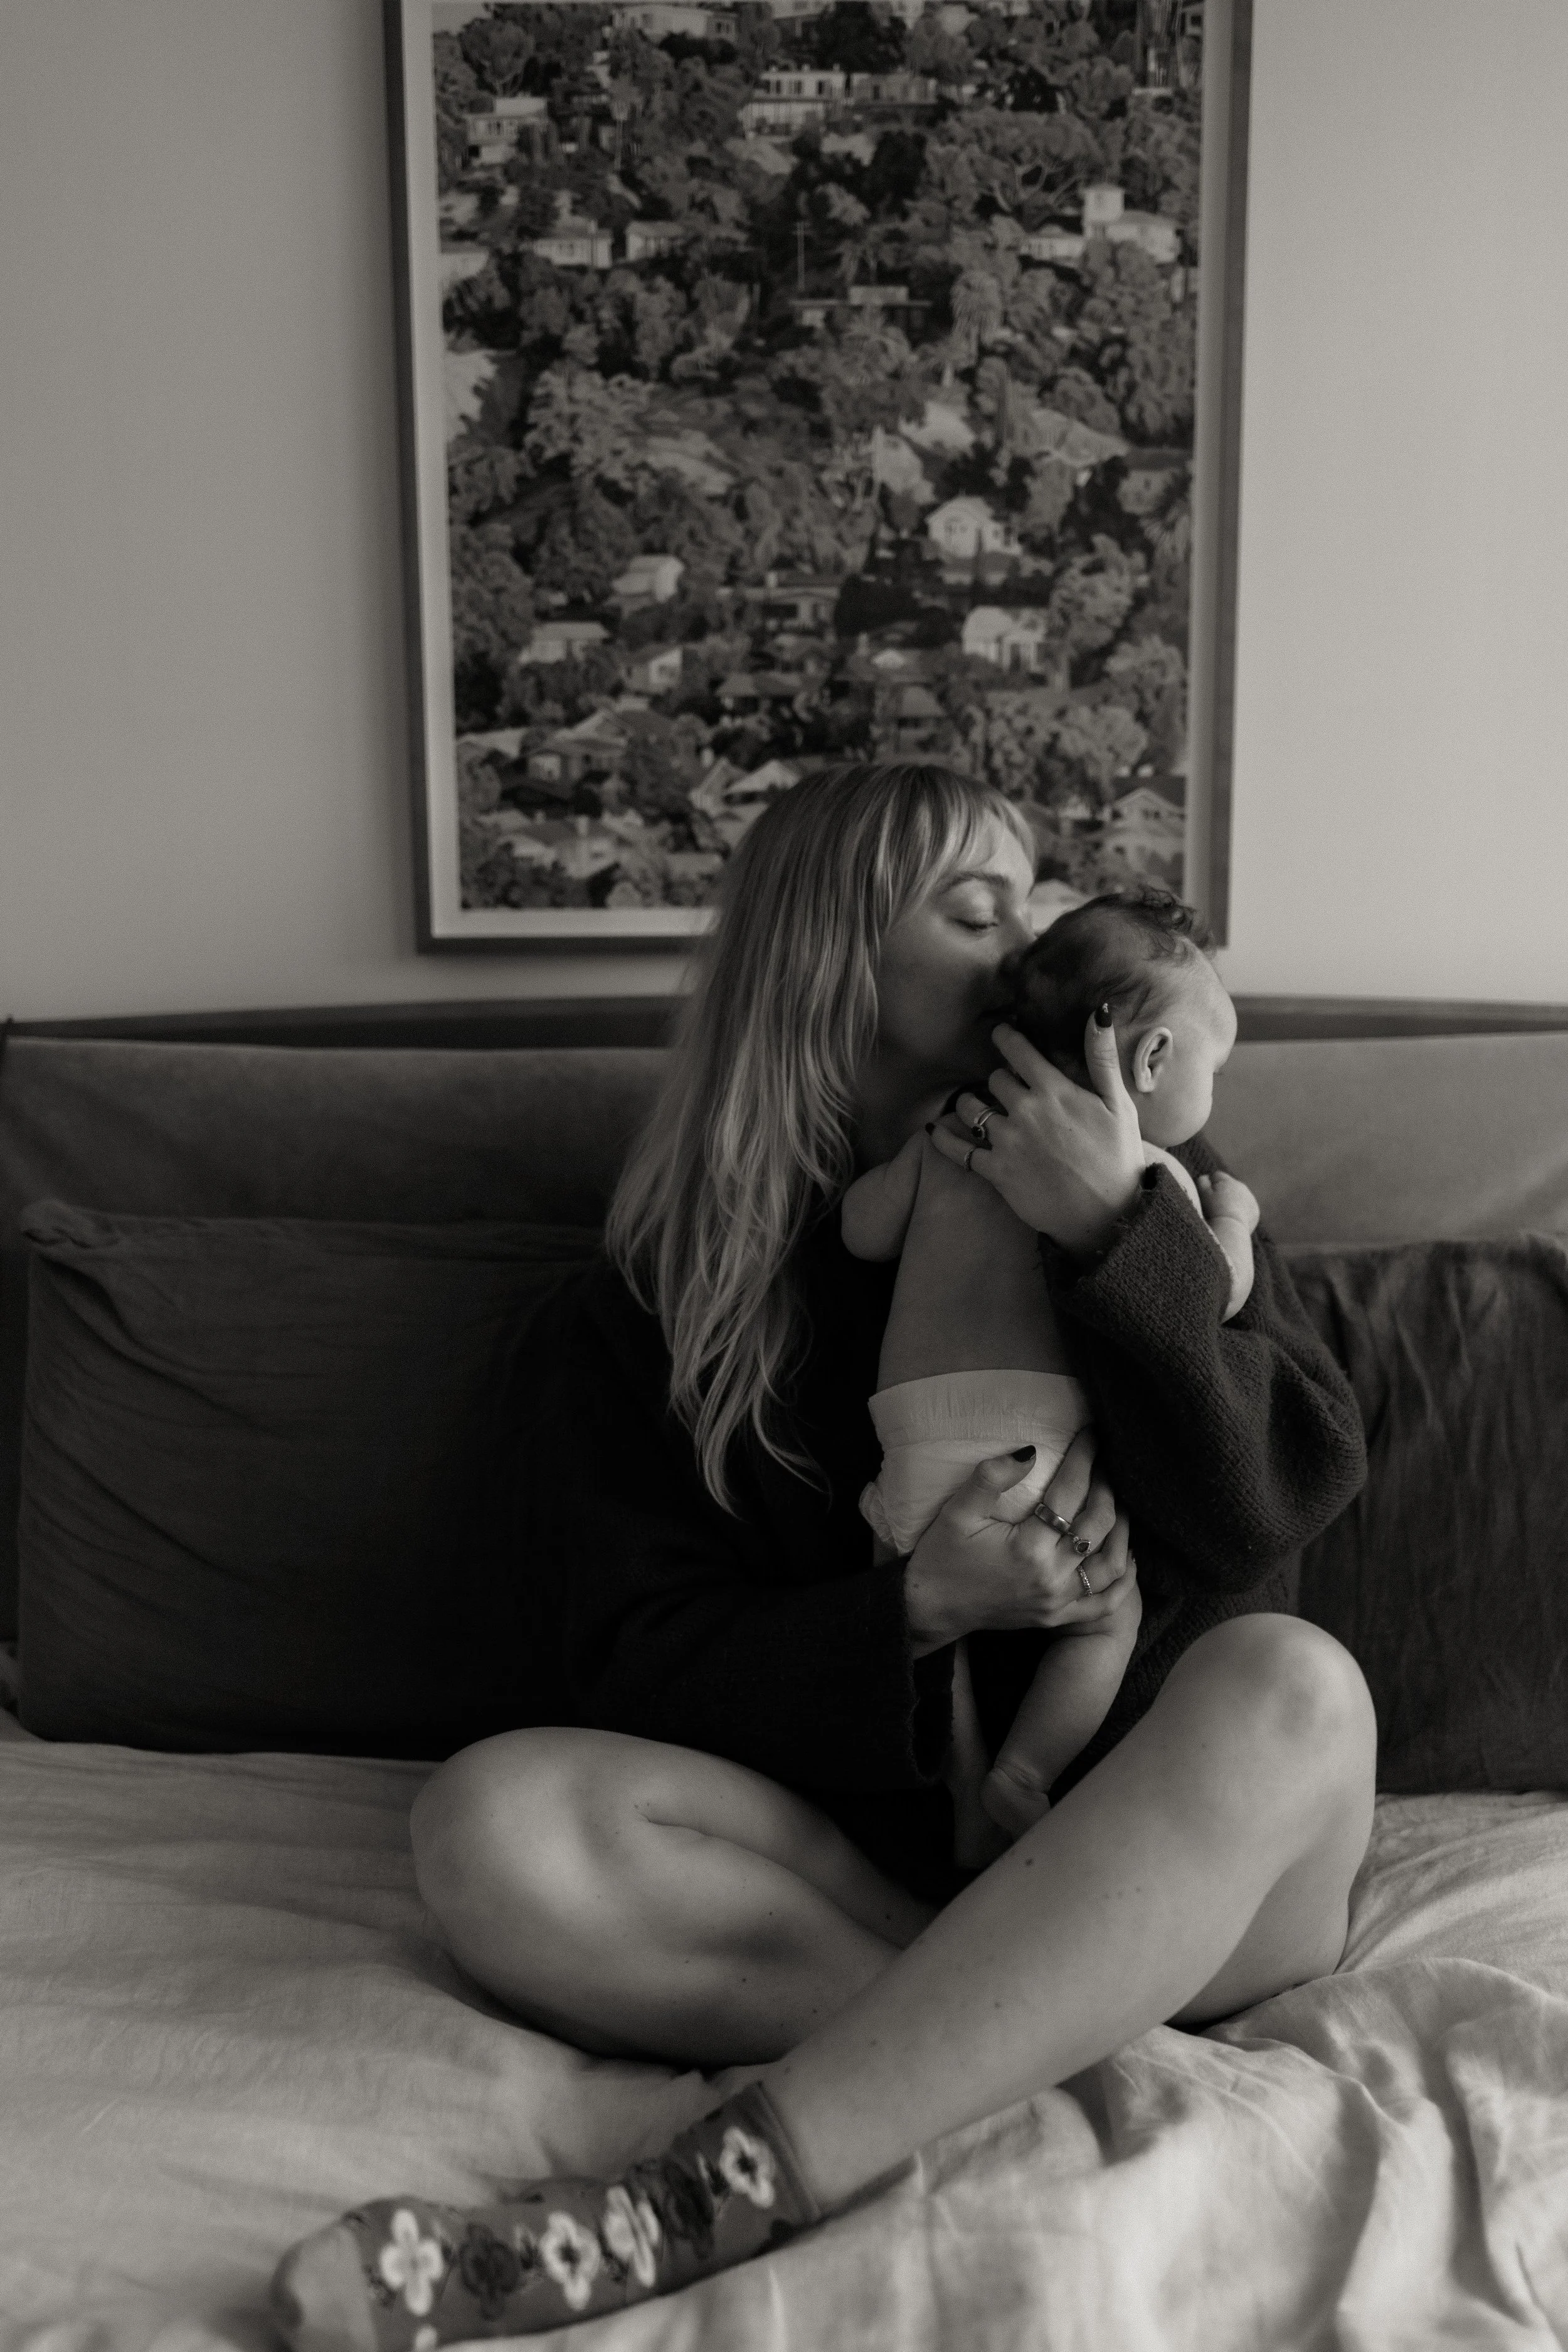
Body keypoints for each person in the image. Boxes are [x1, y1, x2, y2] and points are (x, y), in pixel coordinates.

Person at [272, 765, 1374, 2348]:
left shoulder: (1155, 1185)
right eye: (974, 910)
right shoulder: (655, 1308)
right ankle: (1019, 2019)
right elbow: (635, 1657)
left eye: (1037, 901)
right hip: (874, 1878)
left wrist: (1114, 1238)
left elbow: (1271, 1505)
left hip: (1196, 1855)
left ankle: (684, 2203)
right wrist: (914, 1607)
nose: (1030, 944)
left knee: (1293, 1686)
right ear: (831, 966)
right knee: (492, 1821)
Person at [845, 884, 1261, 1857]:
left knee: (908, 1626)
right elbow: (1216, 1295)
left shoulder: (956, 1127)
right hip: (1037, 1457)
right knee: (1103, 1619)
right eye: (1217, 1065)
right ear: (1153, 1059)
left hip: (909, 1441)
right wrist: (1232, 1221)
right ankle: (1022, 1774)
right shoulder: (1148, 1172)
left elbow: (862, 1232)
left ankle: (957, 1786)